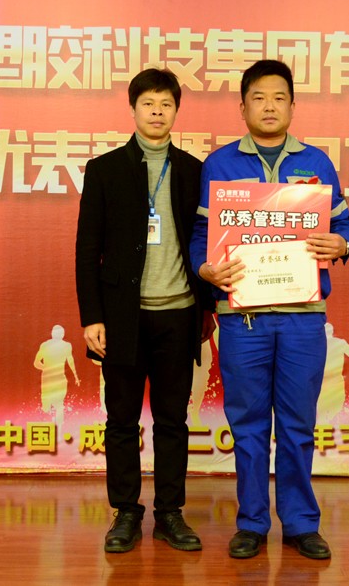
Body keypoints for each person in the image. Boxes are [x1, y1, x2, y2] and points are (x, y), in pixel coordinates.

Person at [190, 59, 349, 560]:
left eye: (279, 97)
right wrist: (205, 269)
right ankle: (252, 523)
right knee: (247, 426)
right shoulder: (220, 164)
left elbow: (347, 230)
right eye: (259, 98)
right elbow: (200, 236)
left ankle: (302, 523)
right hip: (242, 319)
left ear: (292, 106)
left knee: (297, 425)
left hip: (303, 316)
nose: (269, 106)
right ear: (242, 107)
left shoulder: (317, 162)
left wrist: (341, 245)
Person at [76, 68, 210, 554]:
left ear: (177, 111)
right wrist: (92, 317)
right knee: (122, 421)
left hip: (179, 313)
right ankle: (126, 512)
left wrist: (206, 310)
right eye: (148, 104)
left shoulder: (195, 170)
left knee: (173, 420)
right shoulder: (105, 169)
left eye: (166, 104)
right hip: (123, 318)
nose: (157, 112)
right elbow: (87, 250)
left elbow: (207, 242)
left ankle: (170, 513)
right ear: (133, 109)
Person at [32, 324, 81, 429]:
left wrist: (46, 368)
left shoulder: (48, 345)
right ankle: (56, 429)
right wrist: (75, 376)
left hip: (53, 378)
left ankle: (55, 429)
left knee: (51, 404)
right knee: (55, 404)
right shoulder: (64, 345)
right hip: (55, 378)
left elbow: (36, 363)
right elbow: (70, 361)